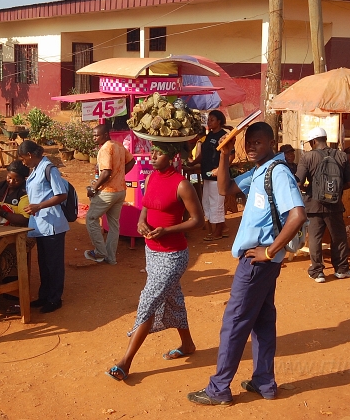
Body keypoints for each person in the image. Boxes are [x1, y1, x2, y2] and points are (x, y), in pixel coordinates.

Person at [187, 122, 306, 406]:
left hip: (258, 263)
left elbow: (297, 215)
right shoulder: (259, 172)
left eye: (258, 142)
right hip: (262, 263)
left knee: (235, 322)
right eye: (248, 143)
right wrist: (225, 155)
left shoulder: (278, 173)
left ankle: (219, 389)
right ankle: (264, 381)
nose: (252, 147)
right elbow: (226, 188)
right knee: (263, 322)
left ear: (271, 143)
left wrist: (269, 251)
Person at [105, 142, 204, 382]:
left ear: (172, 156)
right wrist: (141, 222)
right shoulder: (150, 179)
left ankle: (125, 362)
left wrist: (168, 230)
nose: (153, 155)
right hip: (152, 252)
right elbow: (145, 208)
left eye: (159, 153)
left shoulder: (182, 184)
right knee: (173, 298)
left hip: (173, 256)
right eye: (153, 151)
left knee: (148, 301)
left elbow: (198, 220)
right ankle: (188, 344)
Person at [295, 127, 350, 283]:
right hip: (334, 204)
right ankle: (342, 269)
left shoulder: (307, 157)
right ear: (325, 139)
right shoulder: (342, 156)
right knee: (339, 237)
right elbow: (349, 182)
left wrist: (309, 189)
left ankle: (317, 272)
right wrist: (335, 190)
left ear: (313, 141)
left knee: (315, 237)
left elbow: (298, 181)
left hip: (314, 203)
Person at [18, 140, 69, 314]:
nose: (23, 162)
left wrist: (39, 206)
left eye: (23, 158)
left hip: (52, 225)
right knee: (43, 263)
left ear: (30, 155)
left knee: (53, 264)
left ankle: (55, 299)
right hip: (40, 225)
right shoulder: (35, 170)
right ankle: (44, 295)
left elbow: (61, 194)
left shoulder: (49, 169)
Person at [84, 124, 135, 265]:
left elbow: (106, 172)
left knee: (91, 219)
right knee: (114, 225)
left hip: (107, 192)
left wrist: (94, 188)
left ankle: (100, 252)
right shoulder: (117, 145)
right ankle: (111, 258)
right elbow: (132, 161)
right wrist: (120, 175)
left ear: (106, 134)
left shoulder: (105, 148)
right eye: (93, 135)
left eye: (97, 135)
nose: (94, 138)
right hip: (120, 191)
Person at [0, 160, 32, 284]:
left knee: (6, 248)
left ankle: (12, 285)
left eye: (16, 180)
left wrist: (2, 213)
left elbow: (24, 219)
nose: (11, 182)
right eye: (9, 177)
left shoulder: (25, 192)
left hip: (21, 231)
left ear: (23, 179)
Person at [188, 110, 228, 241]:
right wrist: (193, 162)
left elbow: (230, 156)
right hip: (207, 175)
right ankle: (214, 230)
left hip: (217, 177)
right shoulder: (209, 135)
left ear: (219, 121)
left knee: (217, 203)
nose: (209, 122)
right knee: (207, 203)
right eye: (209, 119)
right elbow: (202, 155)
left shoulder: (224, 136)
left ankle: (219, 232)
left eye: (212, 119)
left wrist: (219, 169)